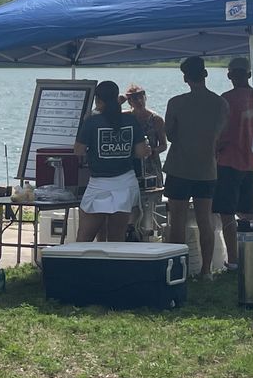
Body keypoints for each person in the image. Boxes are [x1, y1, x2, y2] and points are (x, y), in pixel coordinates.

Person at [163, 55, 227, 277]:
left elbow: (169, 134)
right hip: (206, 169)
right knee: (205, 219)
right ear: (205, 74)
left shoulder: (176, 102)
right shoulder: (220, 103)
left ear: (185, 78)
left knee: (177, 220)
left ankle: (178, 268)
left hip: (179, 167)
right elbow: (221, 136)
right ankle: (206, 270)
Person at [73, 80, 151, 242]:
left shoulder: (92, 122)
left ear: (98, 100)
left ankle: (81, 267)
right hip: (125, 183)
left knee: (84, 237)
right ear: (117, 98)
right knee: (117, 237)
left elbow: (78, 151)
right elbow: (141, 152)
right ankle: (114, 266)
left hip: (99, 183)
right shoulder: (130, 121)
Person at [214, 56, 253, 270]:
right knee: (248, 214)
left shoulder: (224, 100)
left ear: (230, 75)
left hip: (228, 161)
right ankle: (250, 257)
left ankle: (233, 260)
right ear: (249, 74)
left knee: (227, 213)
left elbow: (218, 132)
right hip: (251, 162)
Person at [123, 84, 169, 242]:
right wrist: (120, 100)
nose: (138, 101)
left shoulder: (155, 119)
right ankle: (131, 230)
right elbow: (104, 113)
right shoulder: (126, 117)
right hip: (130, 165)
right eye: (134, 98)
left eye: (140, 97)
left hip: (150, 165)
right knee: (131, 200)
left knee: (150, 203)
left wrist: (153, 151)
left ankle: (150, 233)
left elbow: (164, 144)